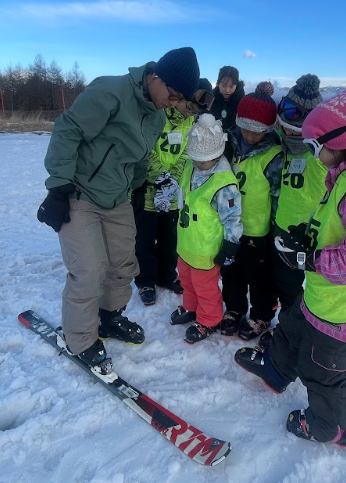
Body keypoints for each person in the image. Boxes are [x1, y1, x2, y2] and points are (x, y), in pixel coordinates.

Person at [234, 79, 346, 449]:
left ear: (338, 142)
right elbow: (341, 230)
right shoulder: (345, 172)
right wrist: (309, 241)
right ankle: (277, 369)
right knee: (294, 324)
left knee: (323, 369)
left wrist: (310, 258)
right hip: (328, 295)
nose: (311, 153)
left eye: (315, 145)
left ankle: (333, 426)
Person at [37, 47, 200, 377]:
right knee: (90, 270)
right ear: (155, 76)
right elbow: (68, 130)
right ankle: (80, 339)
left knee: (124, 263)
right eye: (172, 93)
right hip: (79, 194)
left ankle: (109, 318)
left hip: (118, 197)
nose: (173, 102)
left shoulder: (155, 116)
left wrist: (138, 187)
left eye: (179, 98)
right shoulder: (110, 92)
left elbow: (139, 158)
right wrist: (58, 188)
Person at [133, 78, 215, 306]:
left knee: (170, 239)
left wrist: (172, 181)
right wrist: (160, 178)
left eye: (195, 111)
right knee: (146, 240)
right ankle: (145, 281)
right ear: (179, 97)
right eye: (188, 107)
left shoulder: (190, 124)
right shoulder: (156, 117)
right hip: (148, 190)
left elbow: (186, 154)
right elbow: (146, 150)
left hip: (172, 193)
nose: (190, 113)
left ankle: (166, 275)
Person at [262, 74, 328, 347]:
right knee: (283, 283)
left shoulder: (322, 156)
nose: (290, 134)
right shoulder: (282, 147)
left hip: (310, 236)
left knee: (308, 290)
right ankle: (286, 327)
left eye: (296, 130)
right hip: (280, 229)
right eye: (286, 128)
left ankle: (302, 334)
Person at [169, 113, 243, 343]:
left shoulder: (224, 183)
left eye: (203, 160)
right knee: (186, 280)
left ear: (218, 154)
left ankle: (209, 319)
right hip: (187, 242)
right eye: (195, 158)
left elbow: (232, 218)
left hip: (205, 248)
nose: (198, 164)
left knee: (205, 287)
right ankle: (191, 308)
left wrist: (231, 244)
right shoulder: (192, 167)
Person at [219, 82, 283, 341]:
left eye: (257, 132)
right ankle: (234, 309)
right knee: (231, 272)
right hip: (230, 226)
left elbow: (278, 196)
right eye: (245, 128)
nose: (249, 136)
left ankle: (262, 316)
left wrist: (276, 226)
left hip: (258, 230)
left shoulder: (274, 156)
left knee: (260, 279)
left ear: (268, 130)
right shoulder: (230, 144)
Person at [209, 65, 245, 131]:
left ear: (236, 86)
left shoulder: (242, 102)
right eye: (224, 85)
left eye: (231, 86)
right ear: (218, 83)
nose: (227, 90)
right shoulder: (211, 99)